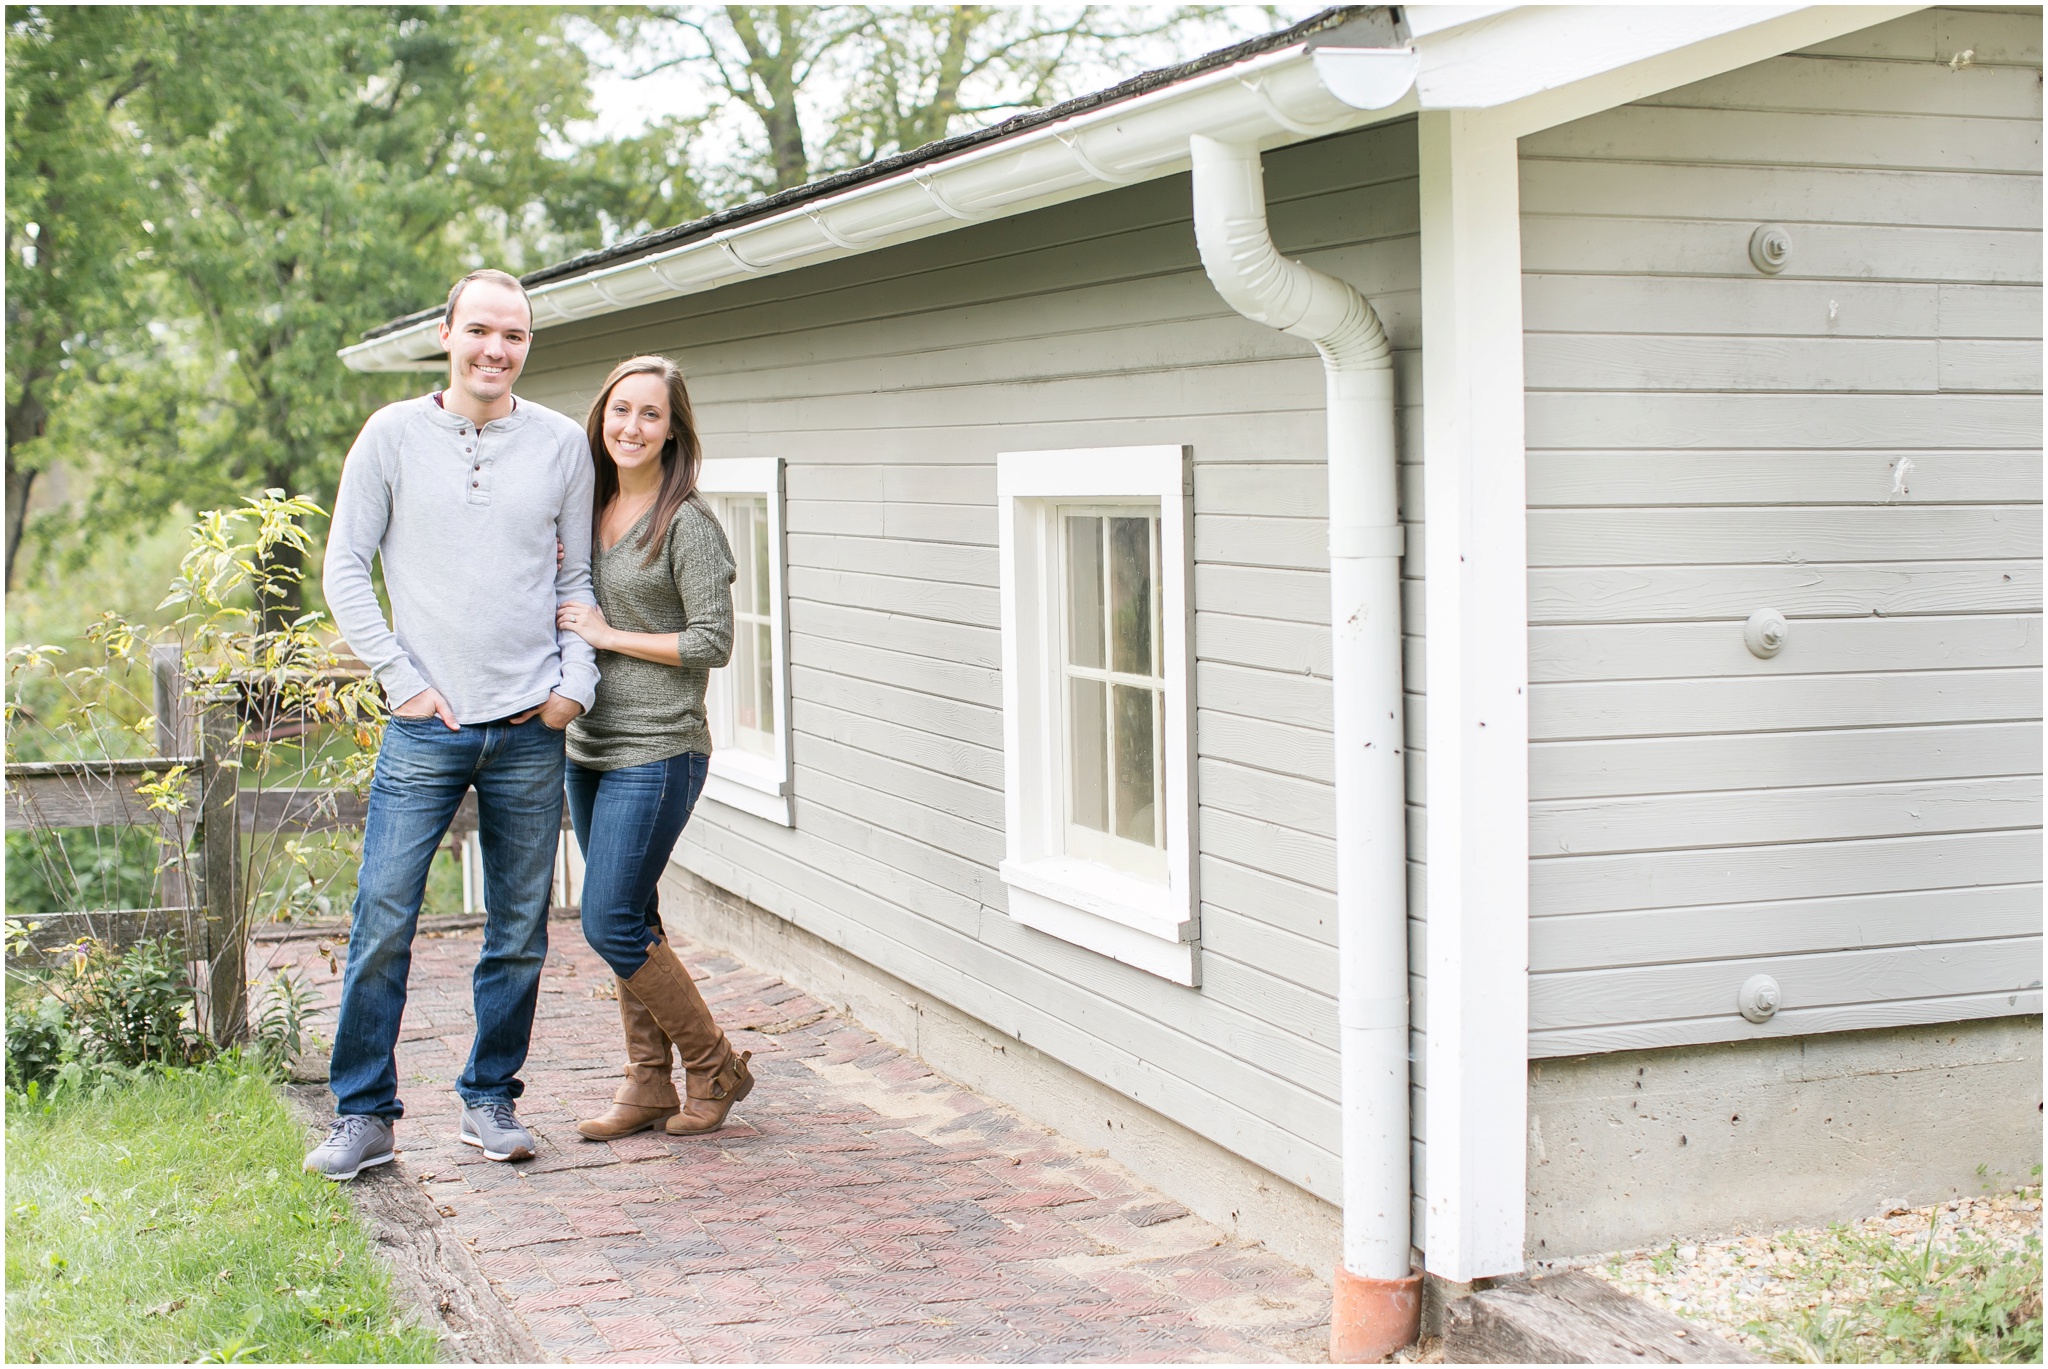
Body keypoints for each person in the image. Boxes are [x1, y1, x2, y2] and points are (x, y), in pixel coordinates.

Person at [305, 268, 598, 1180]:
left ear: (526, 346)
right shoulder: (392, 435)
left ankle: (490, 1097)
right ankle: (364, 1114)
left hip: (528, 726)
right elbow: (346, 567)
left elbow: (575, 582)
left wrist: (572, 687)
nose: (495, 349)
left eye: (513, 335)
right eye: (480, 330)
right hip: (425, 724)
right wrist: (400, 680)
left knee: (518, 927)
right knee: (383, 919)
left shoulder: (559, 445)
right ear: (446, 333)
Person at [554, 355, 756, 1140]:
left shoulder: (687, 524)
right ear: (601, 417)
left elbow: (714, 641)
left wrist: (608, 634)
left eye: (649, 414)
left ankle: (714, 1066)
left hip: (660, 746)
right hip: (588, 742)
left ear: (673, 430)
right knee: (633, 913)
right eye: (620, 411)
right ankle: (648, 1082)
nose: (631, 427)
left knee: (606, 918)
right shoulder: (585, 507)